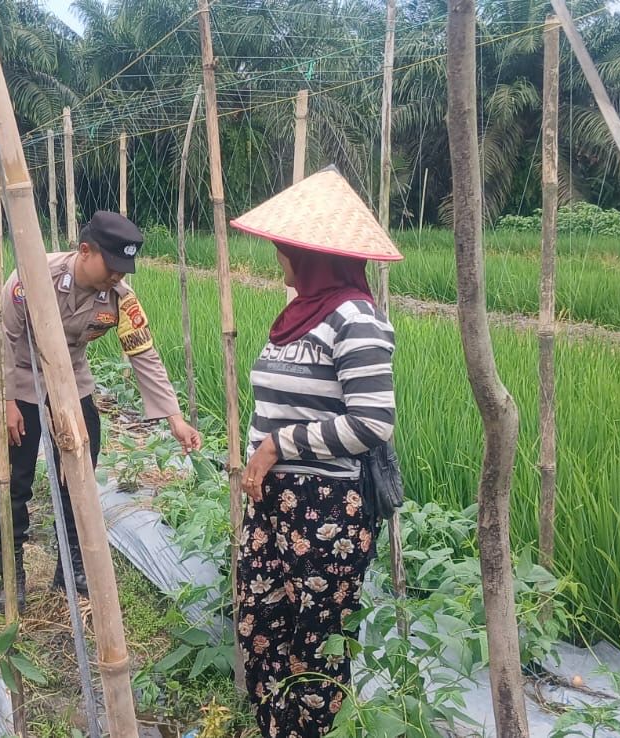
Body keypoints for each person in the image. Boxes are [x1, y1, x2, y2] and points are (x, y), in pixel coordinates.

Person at [229, 167, 401, 737]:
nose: (278, 255)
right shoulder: (295, 316)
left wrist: (278, 445)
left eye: (285, 247)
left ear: (311, 255)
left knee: (315, 648)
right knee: (260, 628)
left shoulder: (357, 319)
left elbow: (372, 422)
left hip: (326, 509)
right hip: (273, 505)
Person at [0, 210, 202, 612]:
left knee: (79, 478)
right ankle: (11, 573)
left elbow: (143, 353)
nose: (117, 276)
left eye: (124, 269)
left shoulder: (120, 298)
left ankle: (71, 568)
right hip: (22, 380)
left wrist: (174, 418)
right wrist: (7, 402)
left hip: (73, 381)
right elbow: (6, 340)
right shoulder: (30, 279)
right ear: (85, 251)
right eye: (112, 266)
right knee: (14, 480)